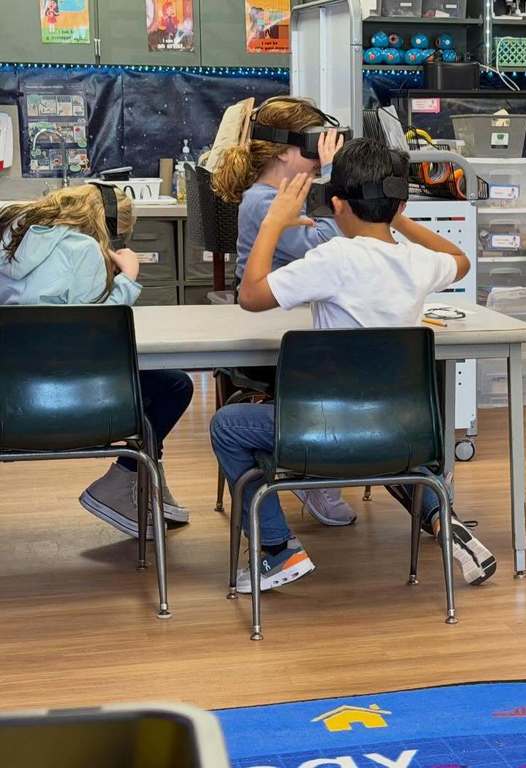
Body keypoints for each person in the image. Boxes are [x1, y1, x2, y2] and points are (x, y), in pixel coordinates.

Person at [210, 138, 498, 594]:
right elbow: (460, 262)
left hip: (326, 430)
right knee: (379, 432)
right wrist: (399, 220)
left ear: (337, 204)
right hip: (402, 430)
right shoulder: (418, 262)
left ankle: (275, 549)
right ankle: (442, 518)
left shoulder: (332, 259)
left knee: (229, 425)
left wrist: (272, 224)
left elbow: (250, 296)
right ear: (399, 202)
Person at [0, 184, 193, 538]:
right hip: (72, 403)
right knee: (174, 385)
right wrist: (129, 278)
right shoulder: (83, 250)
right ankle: (127, 479)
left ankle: (141, 486)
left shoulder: (8, 240)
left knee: (161, 383)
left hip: (11, 408)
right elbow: (99, 336)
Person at [212, 95, 355, 527]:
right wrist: (332, 181)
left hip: (296, 319)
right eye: (310, 149)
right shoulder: (263, 201)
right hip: (273, 326)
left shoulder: (285, 195)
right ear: (280, 151)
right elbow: (328, 243)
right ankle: (314, 471)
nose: (316, 159)